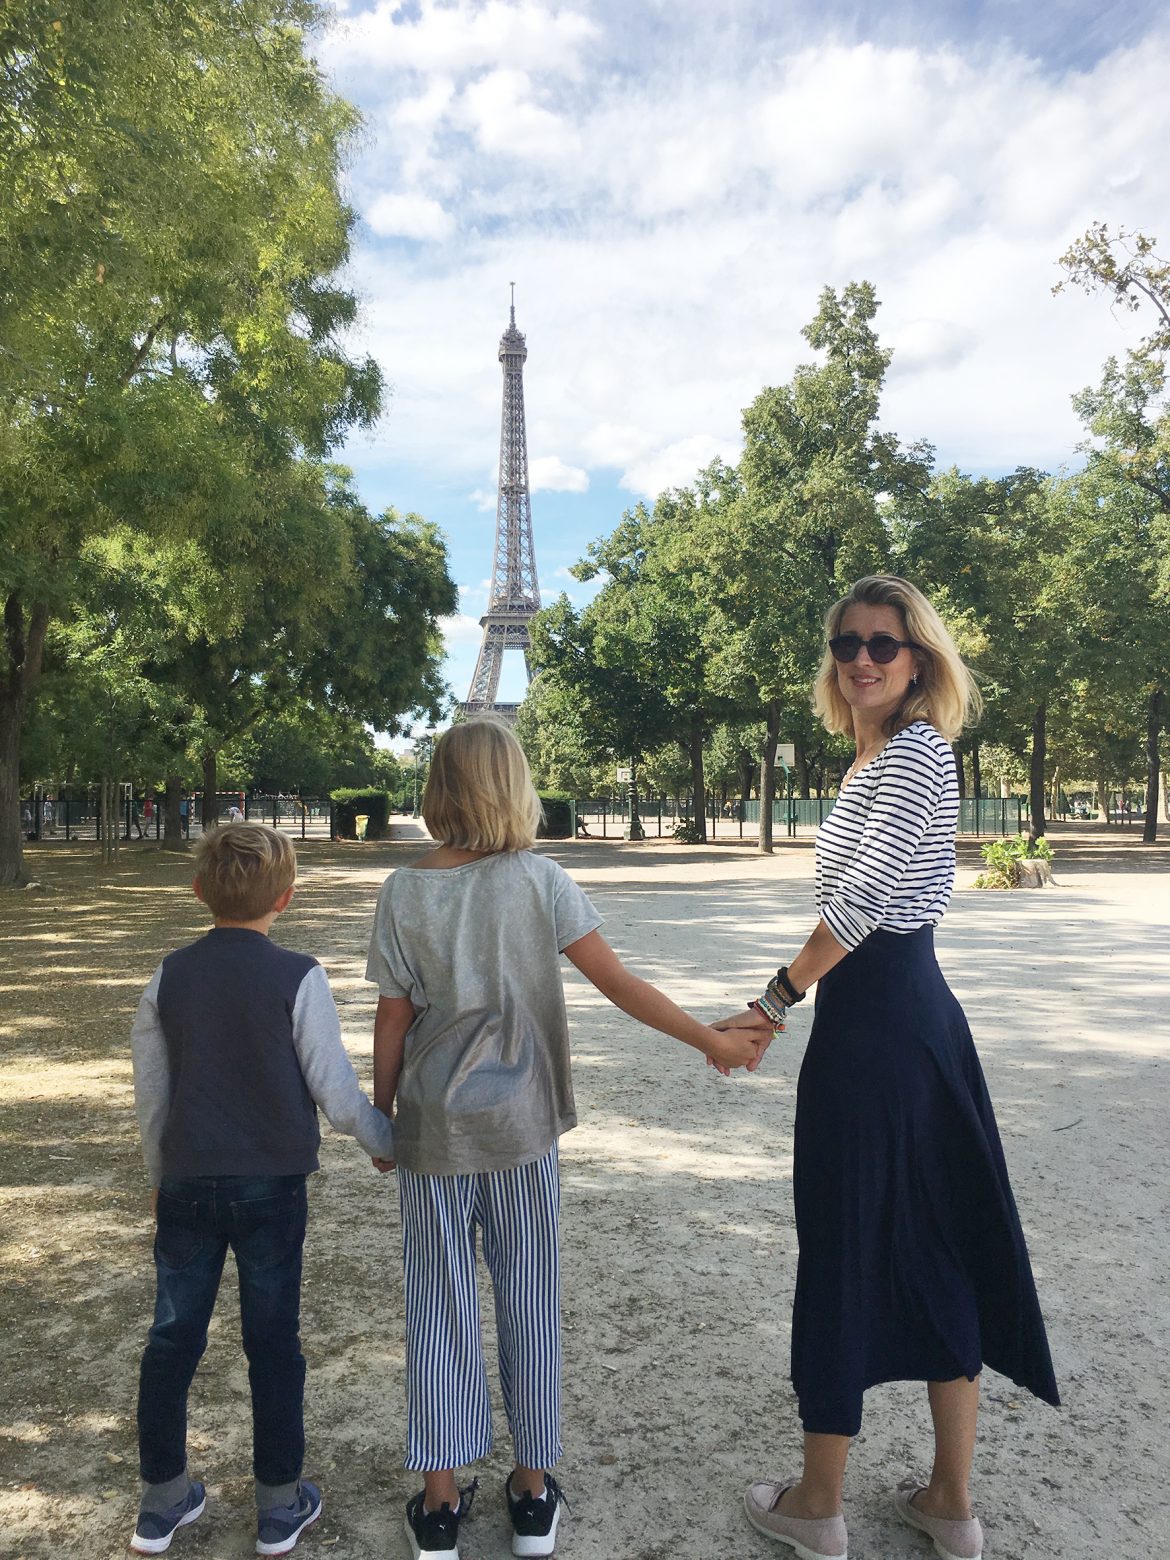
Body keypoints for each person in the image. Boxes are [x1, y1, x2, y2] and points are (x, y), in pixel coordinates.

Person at [364, 718, 769, 1560]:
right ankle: (532, 1490)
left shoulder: (404, 891)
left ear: (438, 791)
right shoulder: (542, 880)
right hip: (523, 1129)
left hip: (435, 1130)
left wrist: (383, 1116)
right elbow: (619, 983)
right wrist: (710, 1039)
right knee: (529, 1302)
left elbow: (392, 1017)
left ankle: (439, 1504)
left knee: (436, 1307)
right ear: (515, 789)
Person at [741, 576, 1059, 1560]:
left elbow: (868, 896)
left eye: (885, 641)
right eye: (847, 644)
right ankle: (948, 1505)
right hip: (905, 1022)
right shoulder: (876, 758)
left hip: (880, 1020)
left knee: (850, 1241)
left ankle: (822, 1504)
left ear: (919, 657)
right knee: (934, 1238)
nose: (864, 658)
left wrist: (773, 1001)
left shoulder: (918, 751)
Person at [128, 823, 395, 1557]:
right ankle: (280, 1502)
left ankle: (162, 1496)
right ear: (286, 896)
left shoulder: (167, 976)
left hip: (186, 1182)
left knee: (172, 1338)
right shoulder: (298, 975)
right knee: (273, 1341)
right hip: (273, 1187)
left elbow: (152, 1096)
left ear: (196, 891)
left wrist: (160, 1176)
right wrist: (386, 1142)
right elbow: (335, 1090)